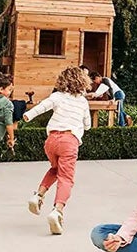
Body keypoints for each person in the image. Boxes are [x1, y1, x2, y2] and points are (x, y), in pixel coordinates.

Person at [21, 66, 92, 235]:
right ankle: (57, 211)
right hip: (69, 141)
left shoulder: (57, 96)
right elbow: (87, 124)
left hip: (51, 141)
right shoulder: (82, 102)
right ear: (82, 82)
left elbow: (42, 107)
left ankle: (38, 195)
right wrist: (82, 125)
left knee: (55, 169)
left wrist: (28, 116)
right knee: (66, 178)